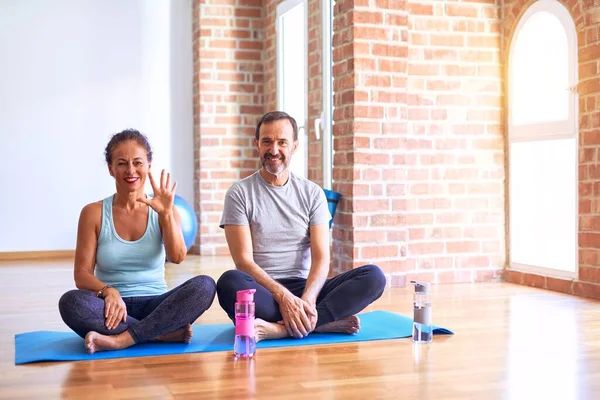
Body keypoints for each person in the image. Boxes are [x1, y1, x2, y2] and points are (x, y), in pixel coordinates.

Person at [216, 111, 387, 342]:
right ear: (256, 144)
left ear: (294, 146)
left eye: (282, 142)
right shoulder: (239, 193)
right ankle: (322, 323)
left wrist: (307, 301)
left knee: (373, 277)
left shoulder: (312, 193)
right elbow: (244, 262)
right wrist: (285, 298)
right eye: (267, 141)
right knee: (229, 282)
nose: (274, 150)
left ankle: (283, 328)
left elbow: (321, 258)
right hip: (264, 290)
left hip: (306, 288)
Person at [58, 129, 216, 354]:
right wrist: (108, 290)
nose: (130, 170)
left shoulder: (165, 210)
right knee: (70, 303)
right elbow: (81, 274)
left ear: (148, 165)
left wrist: (166, 215)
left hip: (157, 305)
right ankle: (160, 333)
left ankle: (120, 340)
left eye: (137, 162)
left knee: (205, 286)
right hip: (111, 309)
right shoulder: (93, 213)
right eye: (122, 163)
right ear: (111, 168)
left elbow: (178, 257)